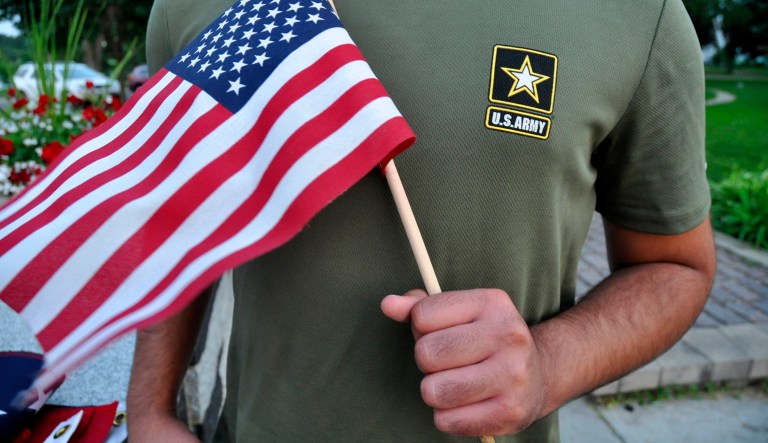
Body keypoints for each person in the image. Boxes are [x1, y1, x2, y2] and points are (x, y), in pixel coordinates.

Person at [127, 0, 716, 441]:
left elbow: (675, 264)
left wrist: (547, 365)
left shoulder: (638, 15)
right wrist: (151, 410)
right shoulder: (190, 5)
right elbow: (180, 210)